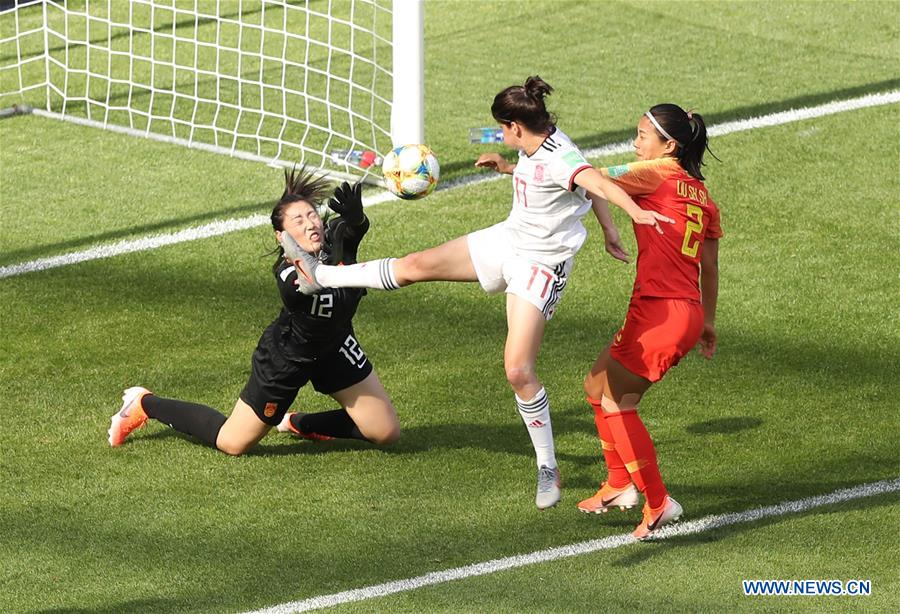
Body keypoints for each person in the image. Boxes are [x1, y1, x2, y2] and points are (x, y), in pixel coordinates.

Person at [282, 76, 673, 509]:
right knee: (415, 266)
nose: (501, 135)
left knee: (518, 370)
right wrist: (516, 173)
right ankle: (321, 275)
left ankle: (548, 465)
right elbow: (581, 181)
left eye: (503, 129)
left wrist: (631, 213)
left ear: (516, 127)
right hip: (509, 240)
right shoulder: (539, 144)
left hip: (540, 268)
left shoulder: (560, 157)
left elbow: (595, 182)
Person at [107, 168, 400, 455]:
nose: (310, 224)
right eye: (298, 221)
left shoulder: (335, 240)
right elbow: (308, 284)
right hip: (289, 359)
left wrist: (356, 218)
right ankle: (144, 403)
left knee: (385, 432)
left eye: (312, 215)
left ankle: (297, 423)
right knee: (232, 443)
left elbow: (353, 229)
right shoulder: (287, 274)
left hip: (336, 347)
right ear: (280, 236)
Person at [577, 103, 722, 539]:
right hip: (684, 311)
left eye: (642, 135)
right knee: (596, 384)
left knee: (618, 402)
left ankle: (658, 502)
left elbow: (588, 177)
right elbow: (710, 268)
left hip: (660, 312)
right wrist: (708, 322)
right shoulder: (704, 197)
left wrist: (520, 166)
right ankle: (618, 484)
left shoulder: (656, 172)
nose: (635, 143)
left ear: (669, 146)